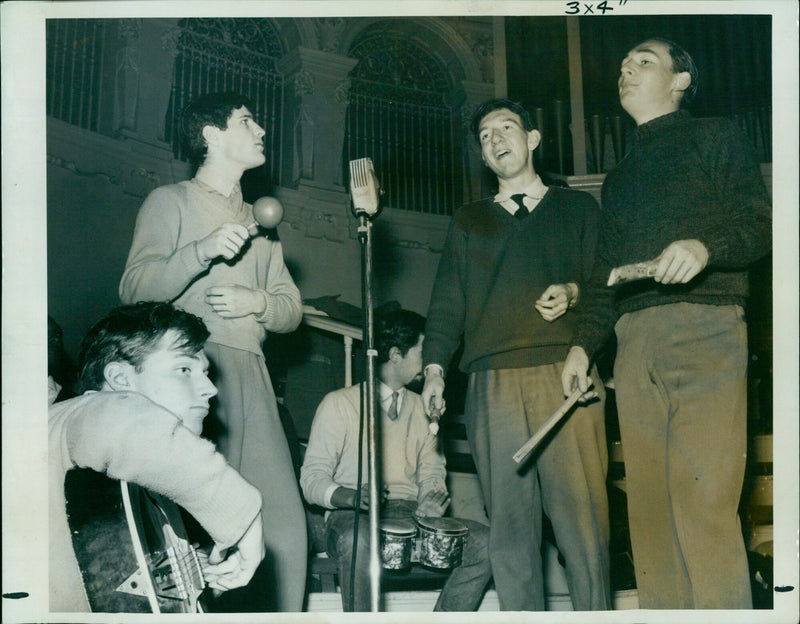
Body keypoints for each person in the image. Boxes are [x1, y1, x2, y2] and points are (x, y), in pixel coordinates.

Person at [561, 38, 772, 609]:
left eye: (644, 62)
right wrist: (583, 347)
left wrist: (707, 246)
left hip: (706, 330)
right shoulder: (618, 178)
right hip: (633, 345)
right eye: (624, 64)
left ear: (681, 81)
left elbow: (760, 226)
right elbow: (606, 276)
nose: (626, 69)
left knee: (702, 506)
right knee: (650, 519)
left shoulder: (716, 136)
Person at [421, 98, 611, 611]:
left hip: (565, 375)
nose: (495, 140)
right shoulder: (468, 221)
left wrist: (581, 348)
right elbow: (446, 303)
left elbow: (603, 289)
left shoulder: (578, 208)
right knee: (510, 535)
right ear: (483, 157)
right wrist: (434, 371)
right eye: (484, 136)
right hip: (492, 384)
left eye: (506, 128)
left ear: (532, 139)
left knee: (584, 530)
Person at [119, 92, 306, 610]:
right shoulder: (170, 201)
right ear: (211, 135)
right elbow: (134, 289)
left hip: (252, 374)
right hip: (190, 377)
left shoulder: (262, 221)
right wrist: (201, 252)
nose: (261, 130)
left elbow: (292, 309)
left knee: (284, 533)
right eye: (247, 120)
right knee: (199, 532)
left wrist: (257, 301)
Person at [49, 301, 264, 612]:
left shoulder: (144, 474)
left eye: (204, 373)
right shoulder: (78, 416)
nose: (210, 388)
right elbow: (120, 417)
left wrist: (195, 576)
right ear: (121, 380)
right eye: (184, 369)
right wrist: (244, 517)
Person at [300, 309, 492, 612]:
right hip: (350, 518)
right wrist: (351, 496)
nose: (432, 365)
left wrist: (431, 499)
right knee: (359, 540)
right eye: (423, 352)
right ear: (394, 354)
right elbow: (311, 480)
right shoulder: (339, 404)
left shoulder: (425, 408)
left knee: (487, 543)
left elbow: (431, 472)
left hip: (412, 515)